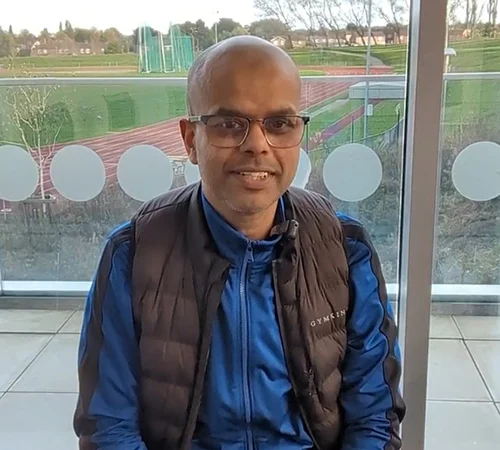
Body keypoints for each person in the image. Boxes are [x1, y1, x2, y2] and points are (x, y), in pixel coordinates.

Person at [73, 35, 405, 450]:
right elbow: (108, 428)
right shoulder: (133, 255)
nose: (257, 145)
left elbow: (374, 417)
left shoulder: (344, 249)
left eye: (279, 123)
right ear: (190, 139)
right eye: (230, 124)